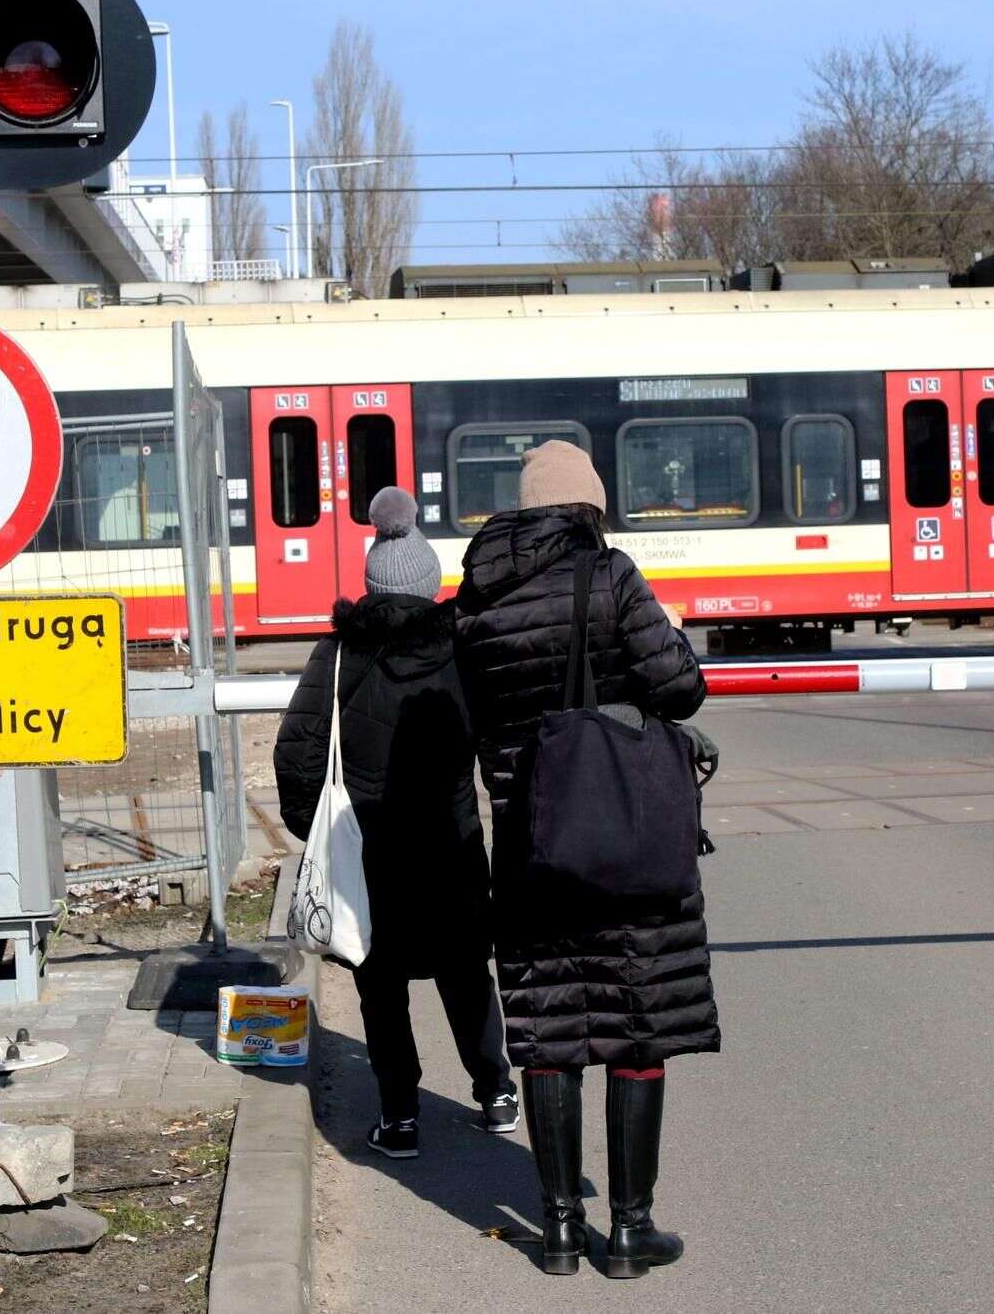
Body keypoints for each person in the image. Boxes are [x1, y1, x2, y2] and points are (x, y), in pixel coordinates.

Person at [453, 440, 717, 1279]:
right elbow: (679, 689)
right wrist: (668, 637)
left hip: (530, 843)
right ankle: (631, 1231)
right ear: (588, 508)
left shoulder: (476, 600)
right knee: (638, 1025)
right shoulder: (611, 577)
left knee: (550, 1032)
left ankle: (560, 1229)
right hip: (629, 836)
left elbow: (470, 721)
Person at [275, 486, 515, 1160]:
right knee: (467, 972)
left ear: (372, 584)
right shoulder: (463, 650)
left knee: (378, 986)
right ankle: (495, 1091)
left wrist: (315, 828)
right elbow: (497, 742)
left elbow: (296, 752)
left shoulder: (340, 654)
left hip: (369, 849)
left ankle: (400, 1116)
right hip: (452, 844)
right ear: (431, 584)